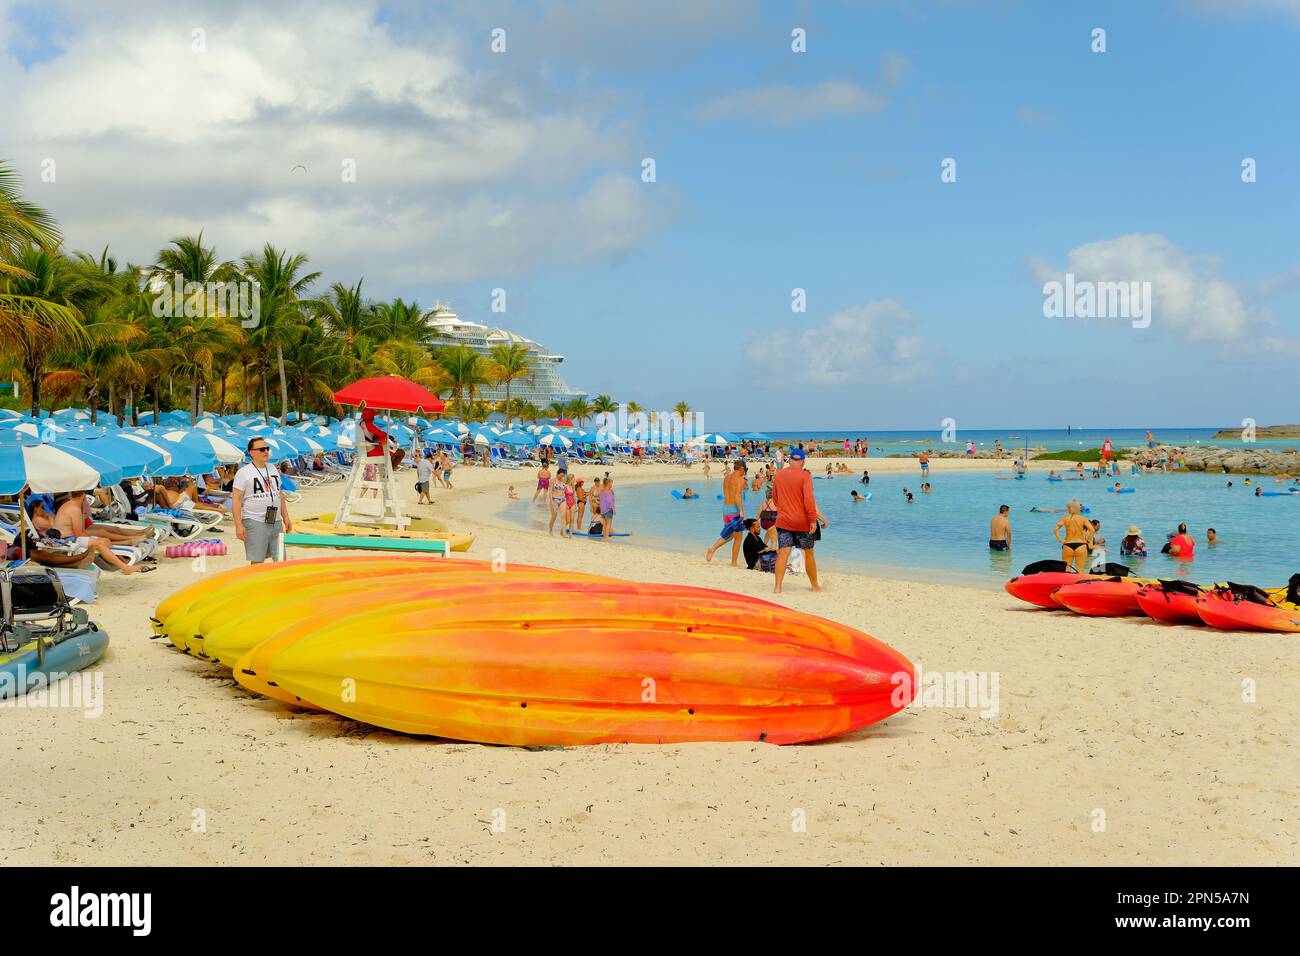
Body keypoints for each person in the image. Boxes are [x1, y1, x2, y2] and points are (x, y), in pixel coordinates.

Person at [39, 497, 149, 574]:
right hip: (68, 541)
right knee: (101, 543)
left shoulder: (68, 507)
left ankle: (125, 559)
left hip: (70, 538)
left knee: (103, 540)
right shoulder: (73, 508)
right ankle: (125, 567)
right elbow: (79, 533)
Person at [772, 448, 826, 594]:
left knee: (783, 553)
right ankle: (815, 586)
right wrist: (812, 520)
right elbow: (809, 501)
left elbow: (775, 498)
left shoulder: (779, 474)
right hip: (802, 522)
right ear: (803, 461)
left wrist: (784, 510)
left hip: (783, 520)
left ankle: (777, 588)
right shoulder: (805, 476)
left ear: (789, 460)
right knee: (808, 553)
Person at [232, 437, 293, 563]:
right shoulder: (244, 472)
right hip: (255, 521)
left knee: (281, 558)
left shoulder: (272, 468)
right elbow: (236, 499)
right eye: (261, 449)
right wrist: (238, 525)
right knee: (257, 561)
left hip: (275, 521)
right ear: (251, 452)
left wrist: (286, 517)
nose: (266, 451)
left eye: (267, 448)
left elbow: (279, 494)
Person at [706, 461, 748, 565]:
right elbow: (737, 496)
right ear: (741, 468)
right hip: (734, 510)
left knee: (731, 535)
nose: (745, 472)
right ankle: (733, 562)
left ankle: (713, 548)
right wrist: (741, 511)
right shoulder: (740, 480)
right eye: (745, 470)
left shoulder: (726, 478)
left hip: (725, 509)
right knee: (738, 538)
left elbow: (727, 492)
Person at [1053, 499, 1093, 573]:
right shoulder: (1083, 519)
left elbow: (1055, 529)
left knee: (1066, 570)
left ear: (1069, 508)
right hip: (1081, 545)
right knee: (1080, 570)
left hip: (1067, 545)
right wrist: (1088, 540)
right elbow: (1092, 530)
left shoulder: (1065, 518)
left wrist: (1060, 540)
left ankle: (1066, 584)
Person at [548, 468, 568, 535]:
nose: (562, 477)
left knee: (564, 516)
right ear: (557, 474)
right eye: (561, 475)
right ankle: (550, 529)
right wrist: (551, 501)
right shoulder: (552, 480)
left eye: (563, 476)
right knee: (554, 516)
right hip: (555, 500)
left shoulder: (564, 481)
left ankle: (563, 533)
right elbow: (550, 491)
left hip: (563, 500)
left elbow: (566, 491)